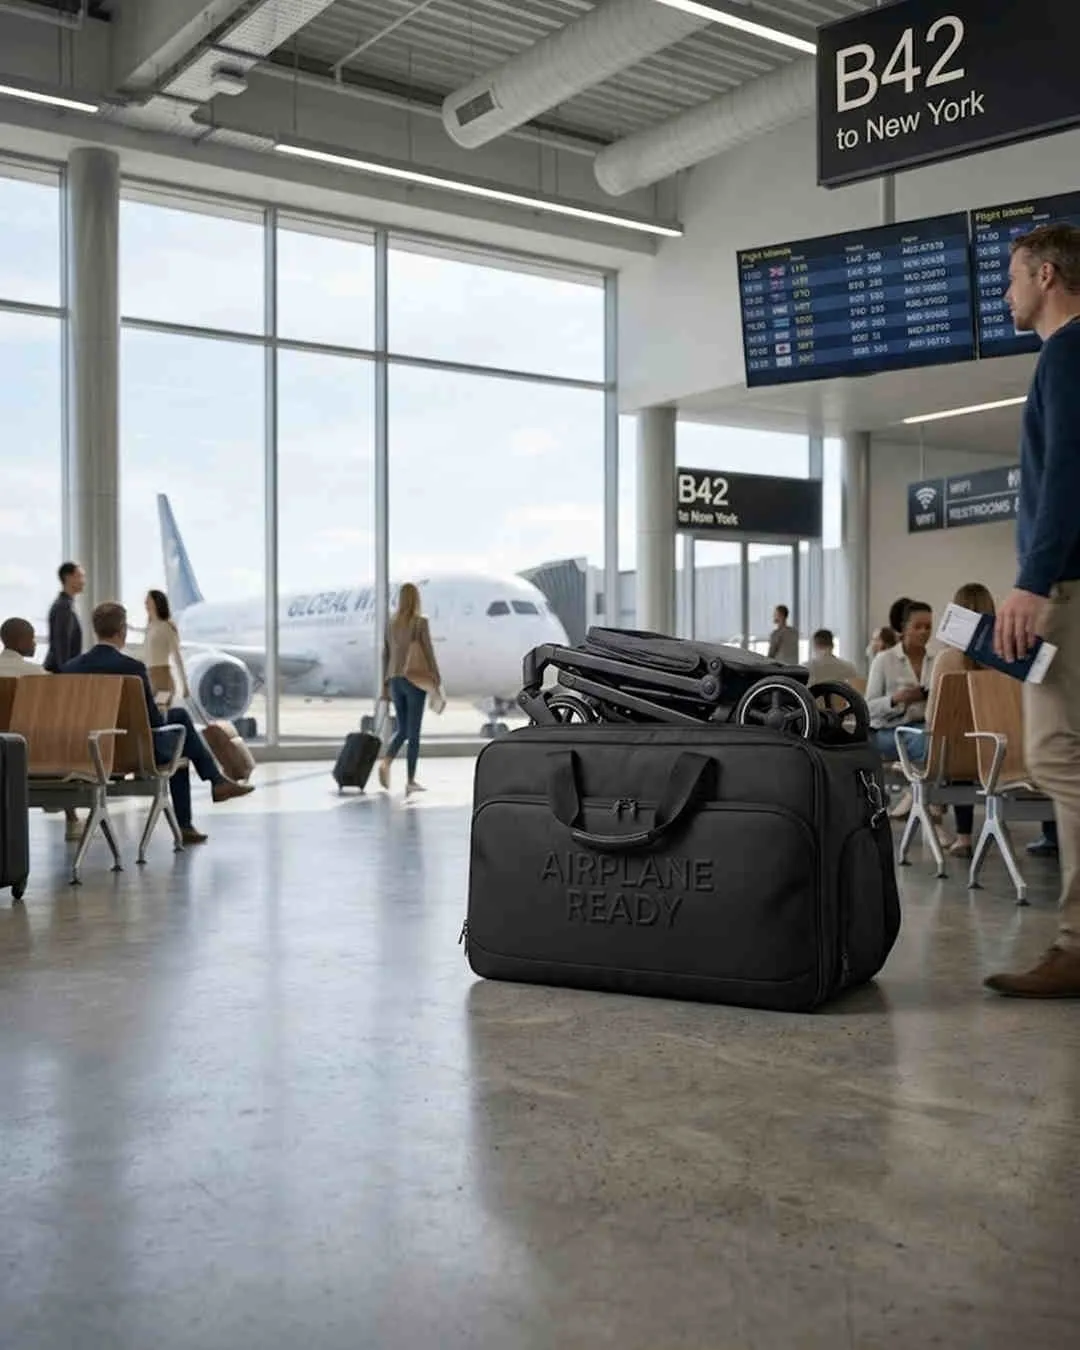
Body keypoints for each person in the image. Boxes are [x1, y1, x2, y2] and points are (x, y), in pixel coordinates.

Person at [986, 222, 1080, 997]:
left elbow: (1068, 479)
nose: (1006, 292)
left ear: (1046, 276)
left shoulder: (1068, 352)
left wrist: (1034, 579)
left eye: (1013, 277)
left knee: (1055, 756)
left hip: (1070, 588)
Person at [63, 602, 253, 845]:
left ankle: (213, 787)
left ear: (95, 631)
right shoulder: (132, 668)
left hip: (91, 753)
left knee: (179, 740)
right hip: (133, 753)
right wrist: (161, 710)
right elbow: (152, 721)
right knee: (180, 728)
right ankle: (206, 794)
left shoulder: (70, 669)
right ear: (122, 631)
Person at [866, 601, 935, 818]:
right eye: (918, 627)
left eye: (928, 627)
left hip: (922, 727)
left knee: (938, 739)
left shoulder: (935, 661)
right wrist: (896, 699)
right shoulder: (884, 660)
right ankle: (924, 800)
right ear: (904, 629)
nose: (924, 632)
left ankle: (917, 796)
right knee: (930, 743)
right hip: (888, 731)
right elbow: (868, 708)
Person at [378, 583, 441, 796]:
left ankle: (386, 762)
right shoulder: (420, 623)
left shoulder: (391, 624)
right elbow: (428, 651)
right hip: (414, 679)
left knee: (403, 728)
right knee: (413, 733)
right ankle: (411, 780)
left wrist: (384, 685)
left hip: (394, 679)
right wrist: (435, 677)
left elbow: (385, 654)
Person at [143, 589, 190, 706]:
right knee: (152, 715)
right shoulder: (150, 627)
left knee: (161, 712)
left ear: (156, 603)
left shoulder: (166, 627)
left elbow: (177, 657)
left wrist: (185, 685)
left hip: (163, 681)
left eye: (148, 600)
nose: (145, 603)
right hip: (150, 678)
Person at [43, 561, 84, 674]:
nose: (83, 581)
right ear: (68, 577)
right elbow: (62, 643)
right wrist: (66, 674)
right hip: (59, 673)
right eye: (79, 576)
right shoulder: (64, 606)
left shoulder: (66, 604)